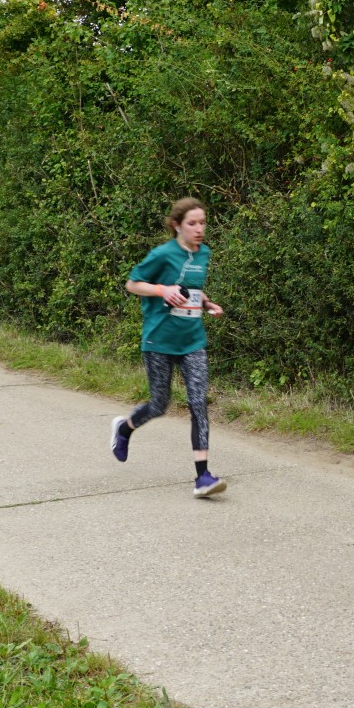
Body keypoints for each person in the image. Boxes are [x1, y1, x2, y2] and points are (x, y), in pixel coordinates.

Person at [112, 197, 227, 497]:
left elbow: (193, 289)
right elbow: (132, 284)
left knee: (198, 403)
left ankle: (203, 477)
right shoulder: (162, 254)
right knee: (159, 405)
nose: (199, 229)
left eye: (203, 223)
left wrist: (206, 303)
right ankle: (124, 428)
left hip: (192, 341)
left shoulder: (204, 254)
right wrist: (163, 289)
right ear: (177, 225)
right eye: (192, 223)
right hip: (159, 341)